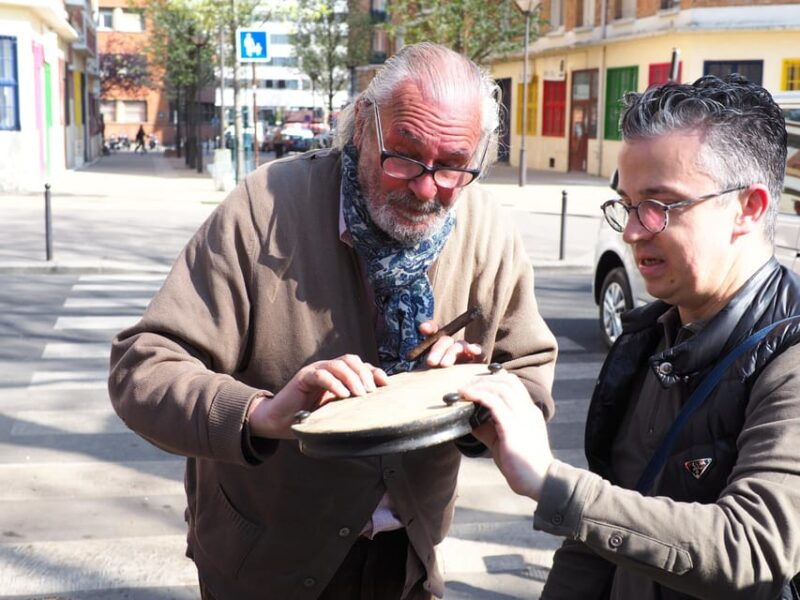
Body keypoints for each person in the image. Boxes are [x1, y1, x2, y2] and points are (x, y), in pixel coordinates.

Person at [108, 42, 557, 600]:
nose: (425, 187)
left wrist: (484, 397)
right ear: (363, 124)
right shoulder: (264, 208)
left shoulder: (487, 228)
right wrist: (259, 414)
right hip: (263, 562)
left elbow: (530, 376)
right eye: (406, 155)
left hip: (408, 560)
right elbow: (142, 369)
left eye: (452, 167)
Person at [460, 74, 800, 600]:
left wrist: (551, 482)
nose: (633, 230)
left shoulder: (790, 356)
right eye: (627, 203)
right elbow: (601, 533)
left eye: (661, 205)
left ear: (748, 208)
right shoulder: (647, 338)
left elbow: (753, 547)